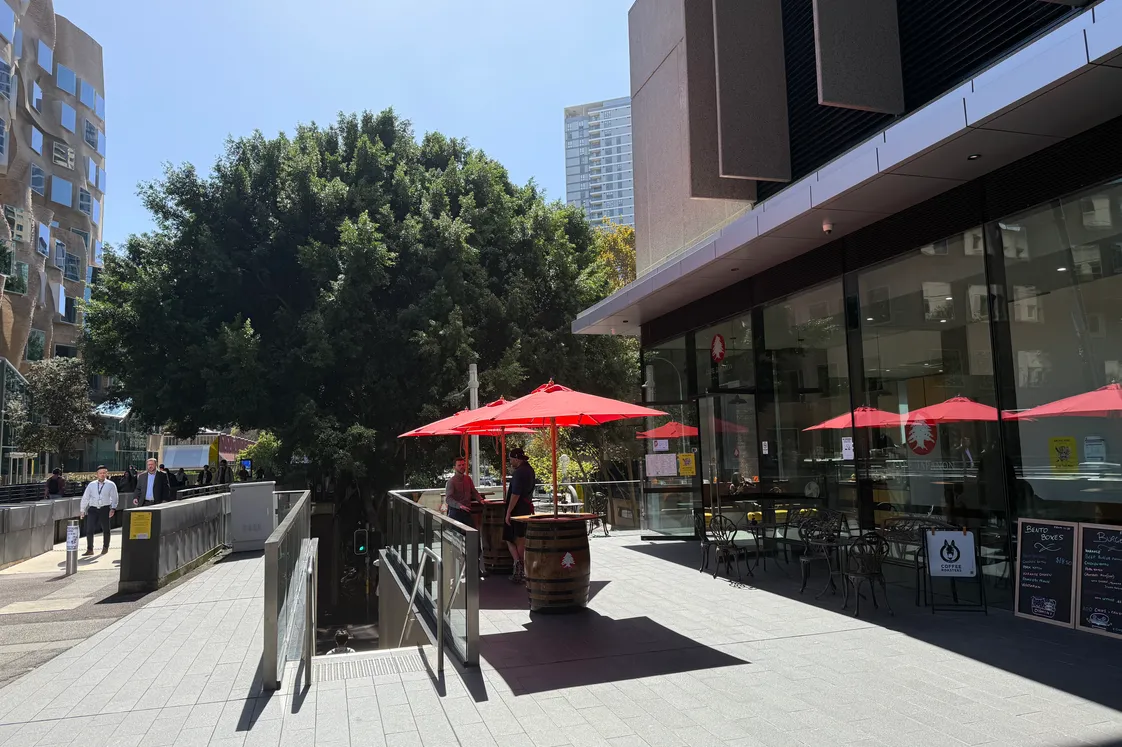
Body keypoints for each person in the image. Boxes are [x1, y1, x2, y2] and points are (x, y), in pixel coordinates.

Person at [504, 448, 536, 583]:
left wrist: (508, 511)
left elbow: (515, 494)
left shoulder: (519, 473)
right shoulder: (530, 470)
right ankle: (522, 568)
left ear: (517, 459)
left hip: (518, 509)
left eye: (511, 459)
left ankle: (518, 567)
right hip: (526, 507)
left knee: (510, 539)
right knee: (521, 538)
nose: (510, 462)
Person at [80, 466, 118, 556]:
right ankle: (90, 549)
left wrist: (113, 508)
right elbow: (86, 497)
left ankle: (105, 547)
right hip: (93, 508)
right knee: (89, 529)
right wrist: (82, 510)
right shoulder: (92, 485)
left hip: (104, 508)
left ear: (107, 473)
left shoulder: (111, 484)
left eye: (104, 473)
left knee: (106, 529)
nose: (102, 475)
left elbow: (115, 497)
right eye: (100, 473)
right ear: (97, 474)